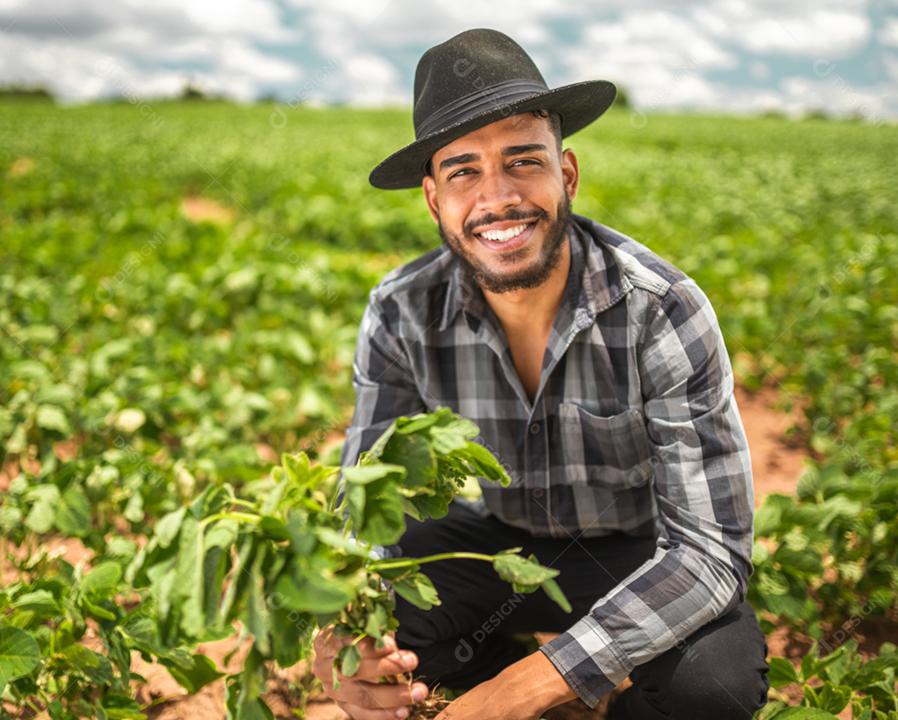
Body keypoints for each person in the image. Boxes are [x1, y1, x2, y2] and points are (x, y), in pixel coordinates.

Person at [313, 28, 770, 720]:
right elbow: (366, 500)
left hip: (637, 551)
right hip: (497, 549)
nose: (498, 198)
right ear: (435, 200)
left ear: (569, 176)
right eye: (464, 171)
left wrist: (523, 689)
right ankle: (493, 677)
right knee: (390, 619)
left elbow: (710, 550)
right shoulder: (402, 312)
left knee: (713, 687)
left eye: (523, 160)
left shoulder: (660, 310)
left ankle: (557, 694)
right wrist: (339, 629)